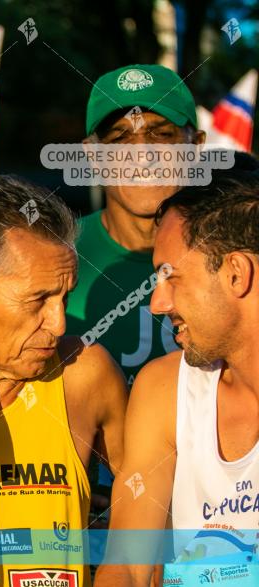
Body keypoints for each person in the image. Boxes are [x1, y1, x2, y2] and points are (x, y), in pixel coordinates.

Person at [0, 176, 127, 587]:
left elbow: (152, 517)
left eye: (64, 297)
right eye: (37, 300)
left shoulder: (85, 374)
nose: (59, 323)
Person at [95, 171, 259, 587]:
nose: (156, 303)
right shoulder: (163, 389)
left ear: (236, 274)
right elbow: (126, 567)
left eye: (170, 275)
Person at [65, 64, 206, 387]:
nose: (142, 156)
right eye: (120, 137)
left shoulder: (236, 256)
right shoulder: (54, 256)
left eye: (160, 134)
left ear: (195, 146)